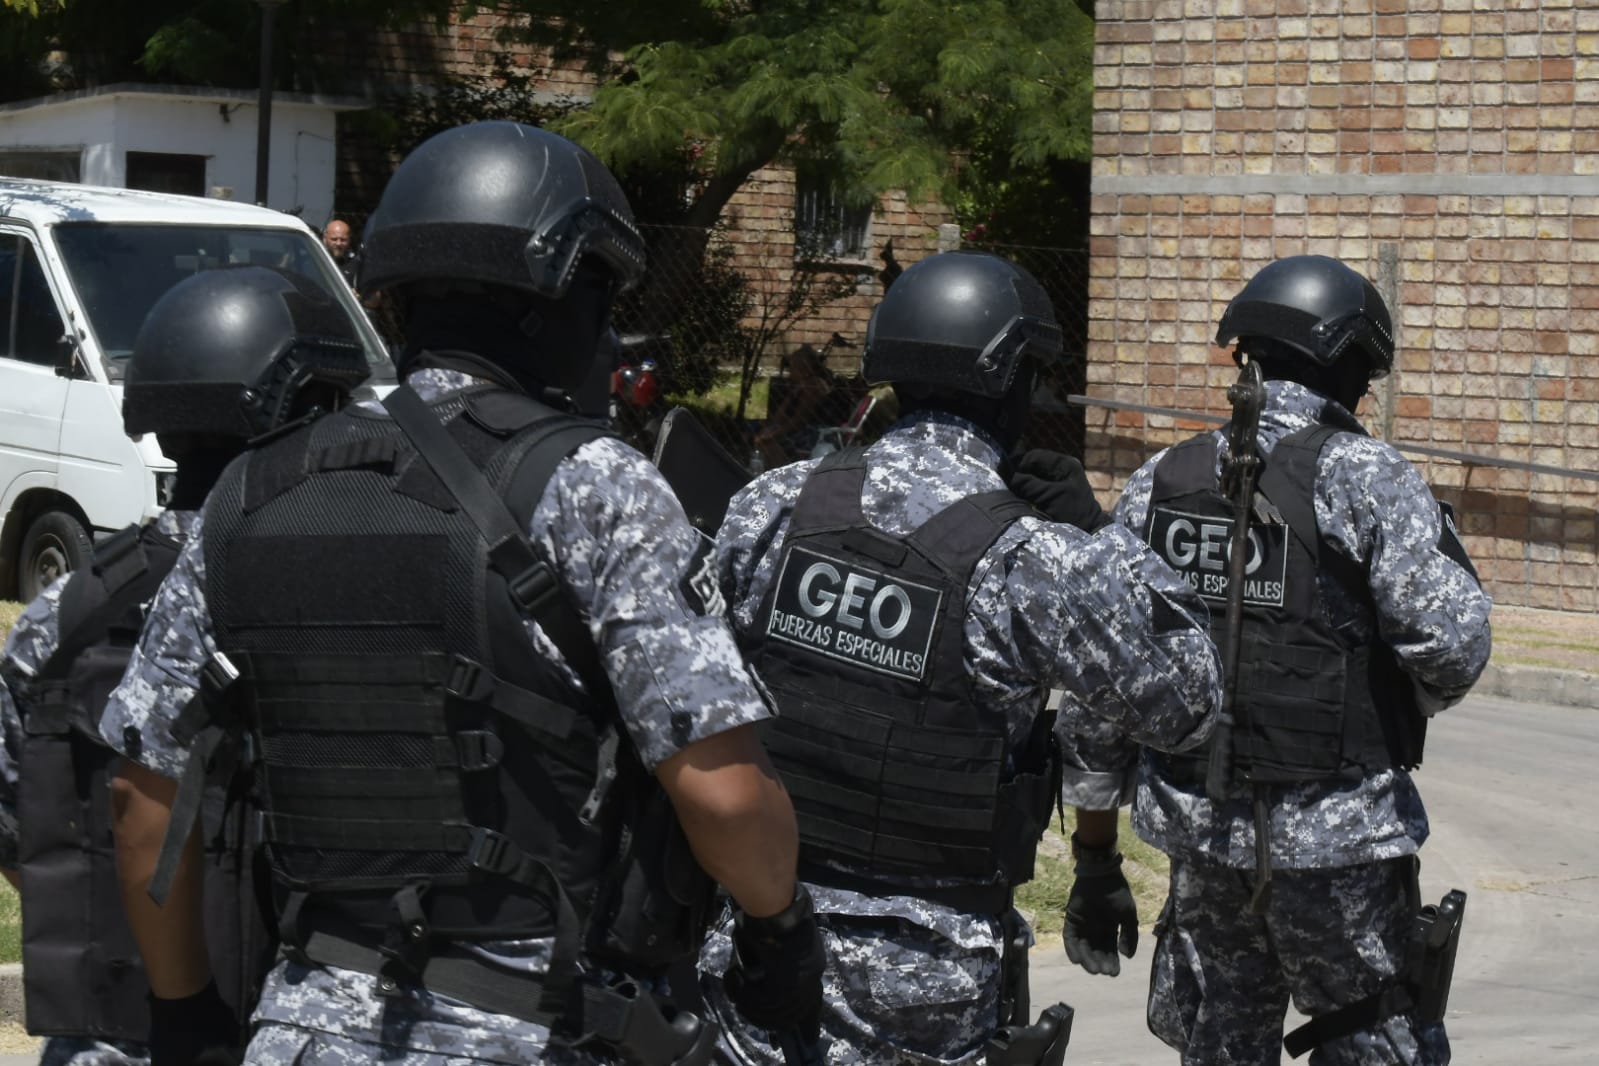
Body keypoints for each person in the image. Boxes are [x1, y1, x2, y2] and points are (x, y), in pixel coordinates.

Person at [101, 120, 821, 1065]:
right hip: (530, 1025)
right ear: (557, 296)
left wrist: (183, 1009)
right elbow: (725, 797)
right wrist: (781, 931)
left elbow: (145, 793)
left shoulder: (248, 491)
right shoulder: (593, 484)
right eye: (600, 300)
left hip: (305, 1029)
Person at [699, 249, 1226, 1065]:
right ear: (1011, 383)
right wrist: (1102, 539)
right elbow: (1187, 700)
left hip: (755, 938)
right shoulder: (1035, 557)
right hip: (921, 982)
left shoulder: (772, 503)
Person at [1071, 254, 1492, 1065]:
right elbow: (1449, 649)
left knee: (1221, 1043)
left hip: (1198, 838)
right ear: (1348, 367)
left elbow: (1103, 683)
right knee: (1373, 1040)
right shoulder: (1366, 475)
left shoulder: (1162, 479)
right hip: (1337, 850)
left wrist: (1094, 857)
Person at [0, 264, 371, 1066]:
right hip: (299, 1026)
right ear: (305, 413)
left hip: (108, 1028)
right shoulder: (347, 595)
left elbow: (17, 829)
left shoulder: (56, 620)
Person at [752, 344, 850, 469]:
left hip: (819, 434)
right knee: (761, 431)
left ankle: (782, 477)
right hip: (802, 430)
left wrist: (773, 435)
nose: (790, 372)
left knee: (769, 442)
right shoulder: (800, 385)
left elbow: (799, 421)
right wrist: (789, 397)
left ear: (805, 369)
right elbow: (779, 417)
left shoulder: (813, 386)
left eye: (793, 367)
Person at [321, 219, 358, 288]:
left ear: (349, 240)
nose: (338, 243)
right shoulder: (315, 260)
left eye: (343, 240)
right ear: (325, 239)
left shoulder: (356, 265)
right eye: (334, 239)